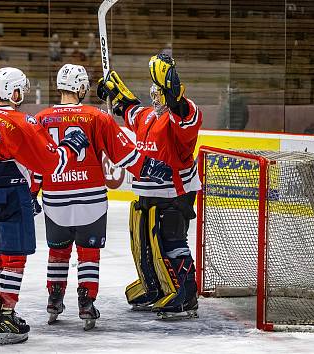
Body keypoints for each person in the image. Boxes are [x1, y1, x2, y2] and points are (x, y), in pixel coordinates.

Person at [0, 67, 89, 346]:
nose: (22, 94)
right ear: (13, 92)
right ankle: (7, 315)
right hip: (11, 193)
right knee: (13, 259)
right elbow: (49, 163)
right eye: (20, 89)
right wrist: (70, 148)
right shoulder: (21, 121)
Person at [33, 64, 173, 330]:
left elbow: (36, 163)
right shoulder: (97, 117)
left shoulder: (41, 118)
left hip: (55, 197)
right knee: (88, 252)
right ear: (82, 88)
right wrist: (151, 168)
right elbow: (125, 155)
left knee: (58, 251)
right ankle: (86, 303)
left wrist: (31, 193)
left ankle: (54, 299)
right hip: (90, 199)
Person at [97, 53, 203, 319]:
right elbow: (128, 108)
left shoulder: (181, 117)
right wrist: (112, 92)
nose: (156, 98)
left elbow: (184, 112)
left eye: (160, 93)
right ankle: (155, 286)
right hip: (147, 191)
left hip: (174, 192)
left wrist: (173, 91)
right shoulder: (145, 116)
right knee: (144, 239)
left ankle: (187, 293)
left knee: (172, 239)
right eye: (154, 93)